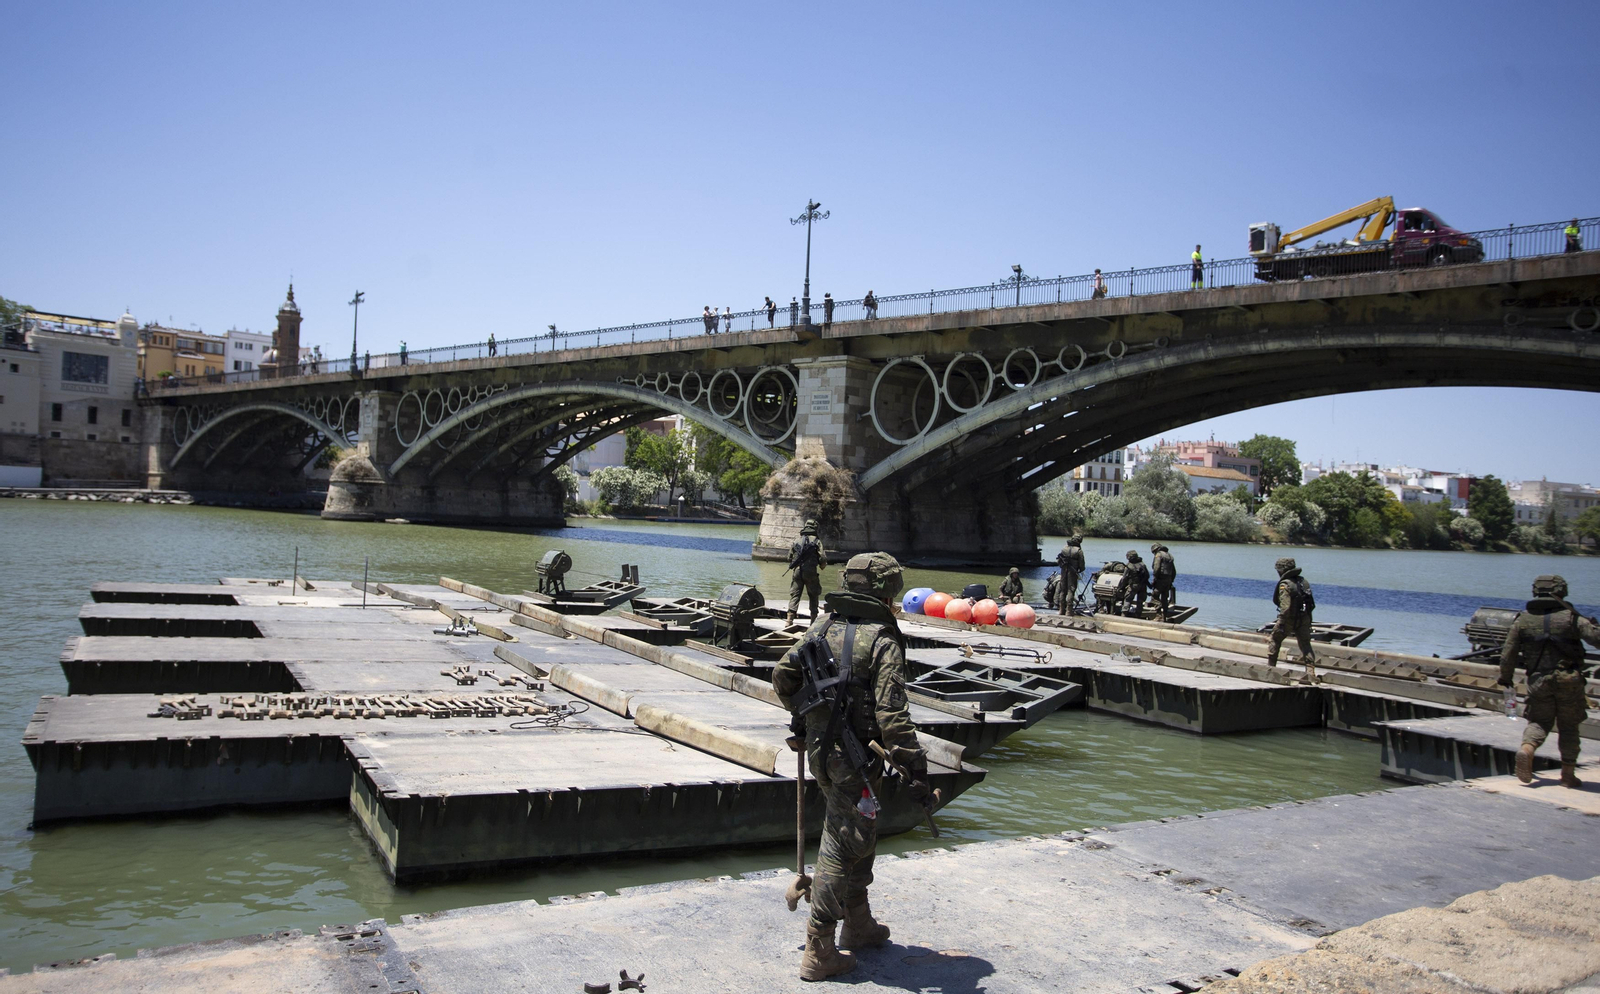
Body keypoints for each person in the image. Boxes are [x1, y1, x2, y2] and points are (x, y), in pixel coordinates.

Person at [771, 552, 929, 982]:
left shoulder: (822, 623)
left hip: (822, 749)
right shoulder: (882, 638)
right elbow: (893, 717)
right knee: (842, 841)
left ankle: (857, 922)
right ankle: (819, 947)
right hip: (857, 756)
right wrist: (916, 768)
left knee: (862, 828)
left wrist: (803, 717)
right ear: (889, 589)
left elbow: (783, 675)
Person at [1501, 575, 1600, 789]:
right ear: (1562, 591)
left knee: (1538, 722)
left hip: (1538, 681)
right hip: (1569, 681)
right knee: (1569, 726)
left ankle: (1527, 749)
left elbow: (1507, 654)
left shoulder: (1522, 620)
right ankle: (1567, 775)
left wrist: (1506, 678)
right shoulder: (1572, 619)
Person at [1267, 557, 1317, 684]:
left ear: (1282, 570)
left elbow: (1285, 606)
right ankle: (1310, 672)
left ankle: (1270, 668)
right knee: (1306, 645)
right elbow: (1311, 603)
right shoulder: (1303, 582)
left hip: (1288, 619)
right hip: (1304, 618)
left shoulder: (1285, 584)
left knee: (1275, 640)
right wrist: (1308, 620)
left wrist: (1281, 622)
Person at [786, 518, 827, 624]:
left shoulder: (796, 540)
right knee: (813, 594)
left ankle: (789, 620)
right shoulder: (817, 541)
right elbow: (822, 558)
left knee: (795, 595)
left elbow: (789, 557)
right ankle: (813, 621)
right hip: (810, 572)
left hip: (797, 571)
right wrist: (822, 566)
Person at [1055, 535, 1085, 615]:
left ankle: (1061, 610)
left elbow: (1058, 560)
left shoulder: (1064, 548)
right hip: (1072, 573)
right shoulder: (1078, 551)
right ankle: (1069, 610)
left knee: (1063, 590)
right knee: (1071, 590)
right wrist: (1080, 570)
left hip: (1063, 572)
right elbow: (1082, 565)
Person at [1150, 543, 1176, 619]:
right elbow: (1174, 571)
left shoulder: (1159, 555)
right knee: (1165, 597)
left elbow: (1156, 568)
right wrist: (1171, 580)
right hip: (1168, 580)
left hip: (1160, 579)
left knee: (1154, 596)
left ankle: (1158, 615)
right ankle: (1164, 615)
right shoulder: (1170, 555)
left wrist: (1155, 578)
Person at [1122, 550, 1149, 617]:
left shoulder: (1129, 566)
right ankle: (1138, 614)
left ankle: (1124, 614)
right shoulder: (1142, 564)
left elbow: (1124, 578)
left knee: (1128, 599)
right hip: (1143, 585)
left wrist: (1121, 587)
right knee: (1140, 601)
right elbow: (1147, 575)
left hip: (1133, 586)